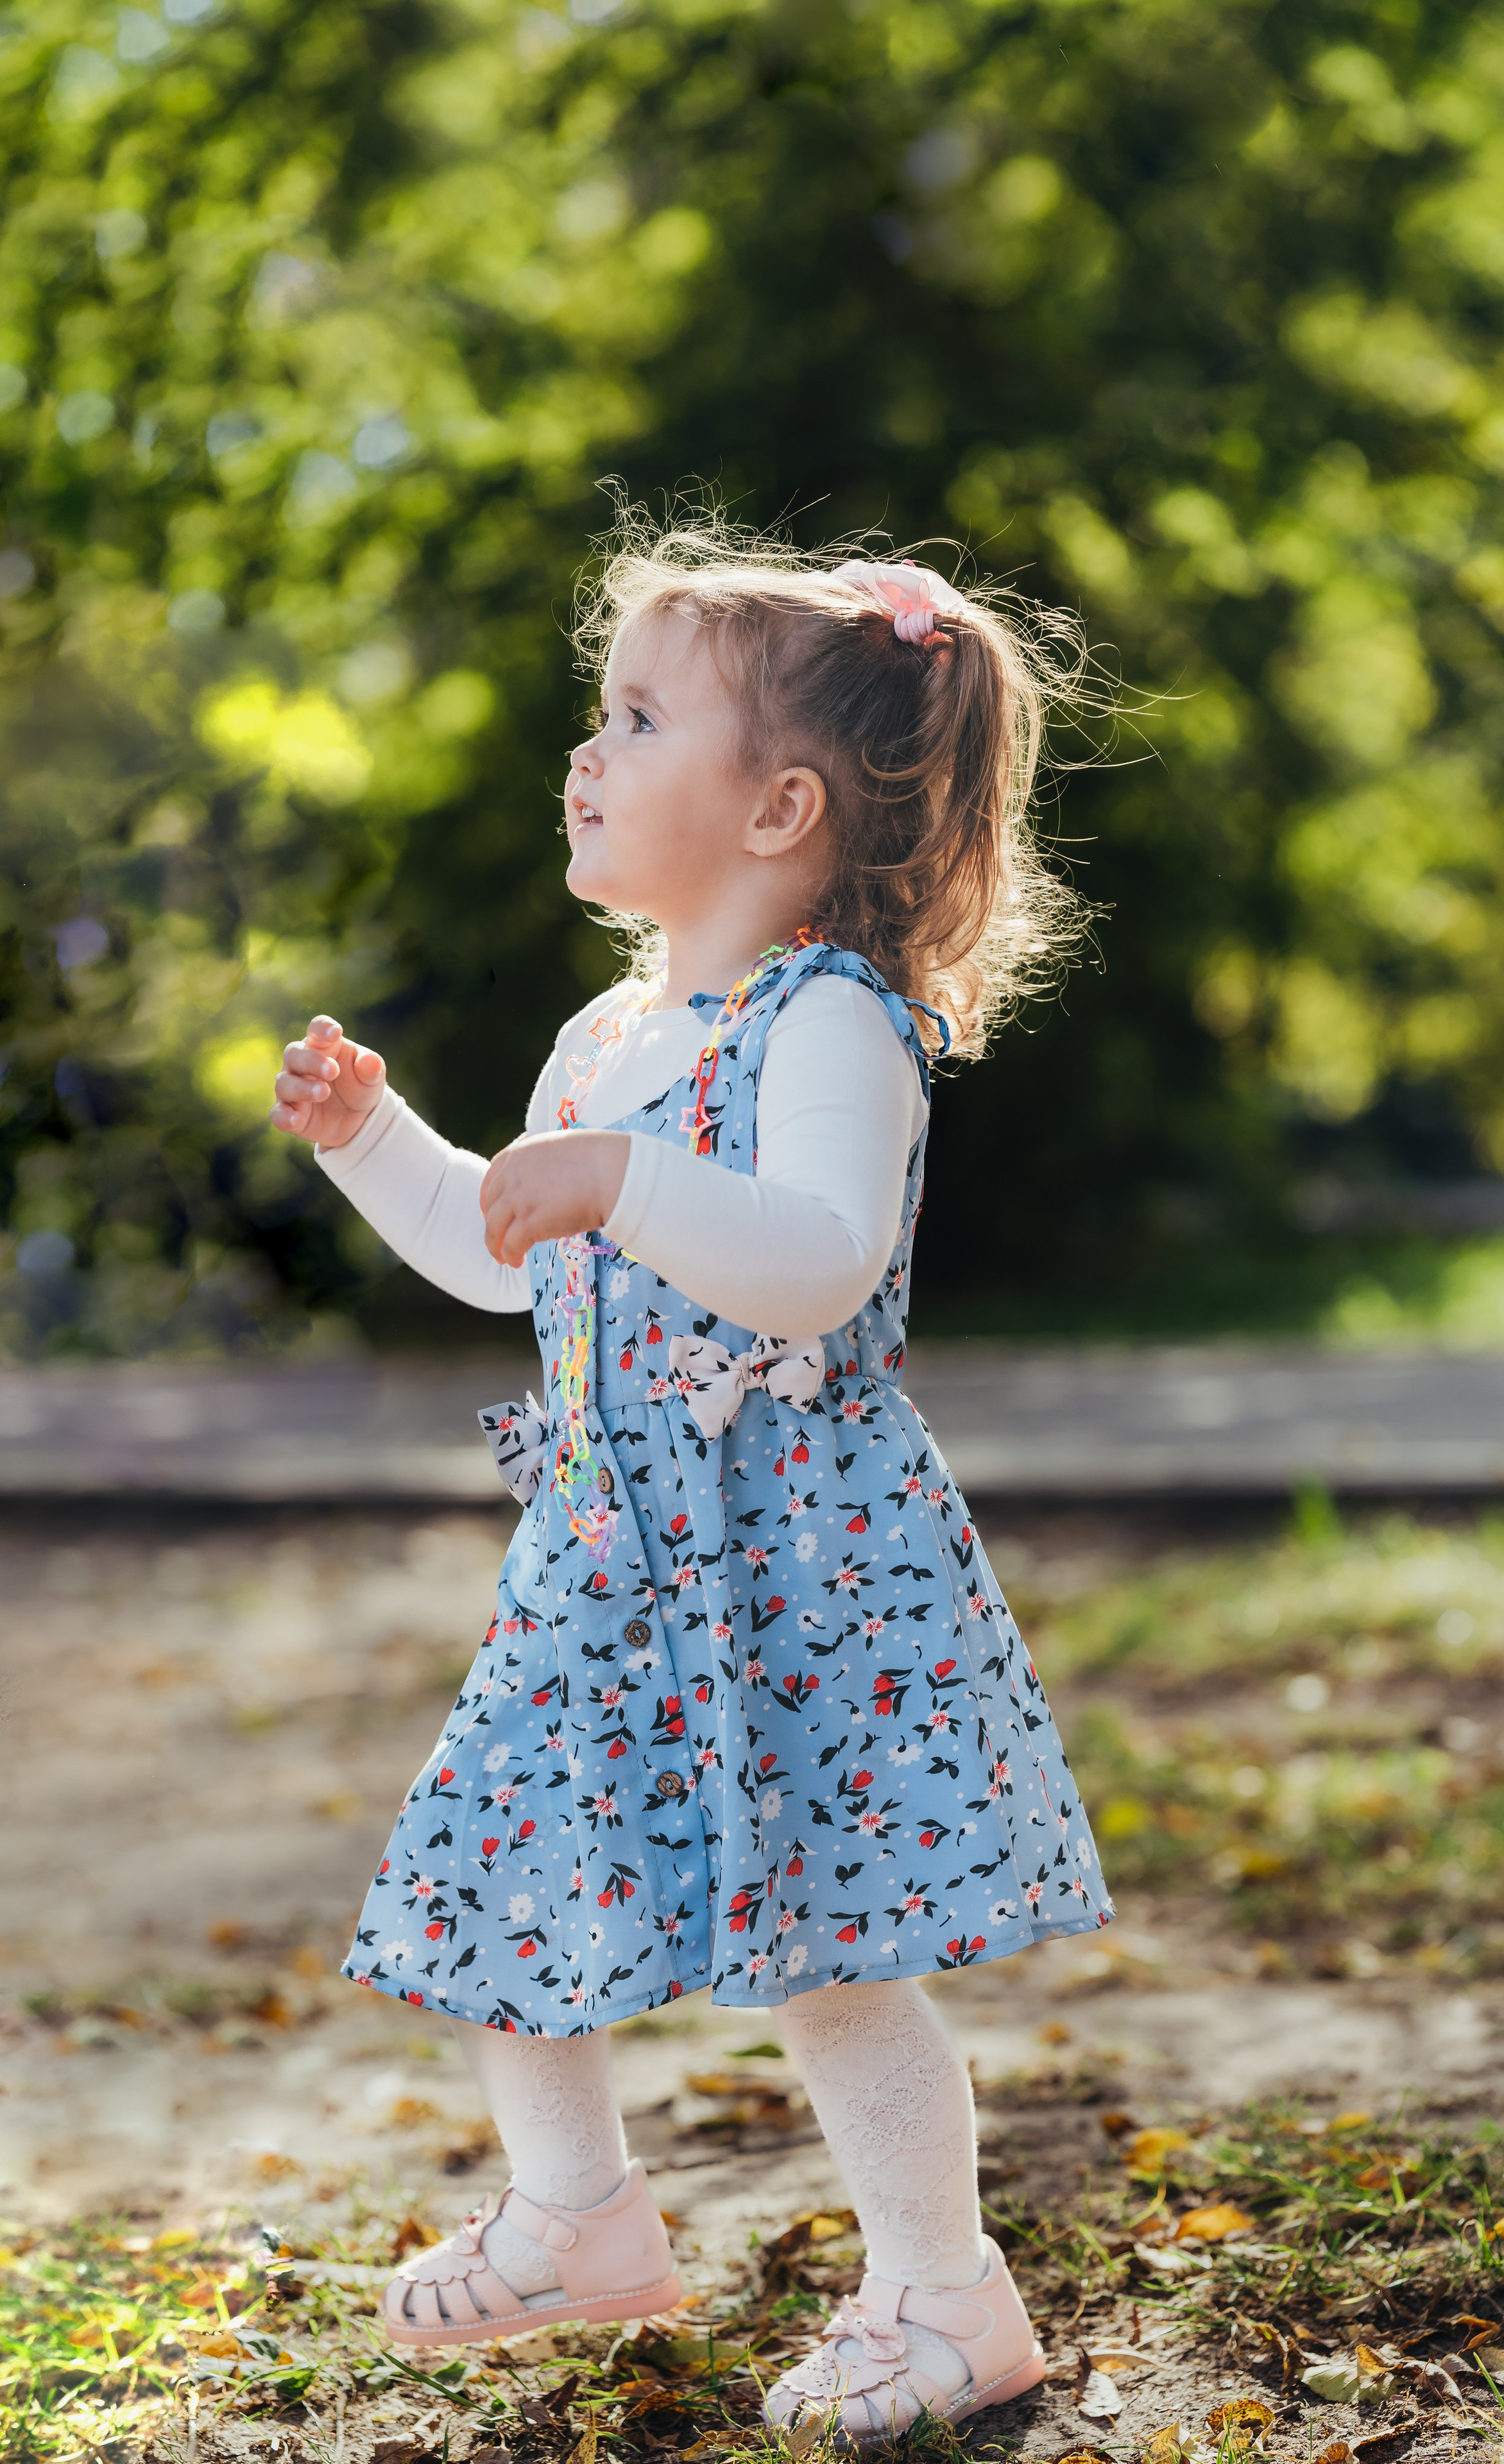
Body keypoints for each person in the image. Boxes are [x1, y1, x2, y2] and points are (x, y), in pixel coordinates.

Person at [269, 524, 1115, 2445]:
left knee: (832, 1957)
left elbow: (819, 1255)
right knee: (498, 1870)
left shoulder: (830, 1019)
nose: (589, 750)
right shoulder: (609, 1034)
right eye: (603, 711)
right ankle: (579, 2219)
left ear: (781, 808)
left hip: (796, 1578)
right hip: (605, 1562)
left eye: (639, 718)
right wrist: (379, 1142)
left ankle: (946, 2297)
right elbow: (508, 1249)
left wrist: (627, 1187)